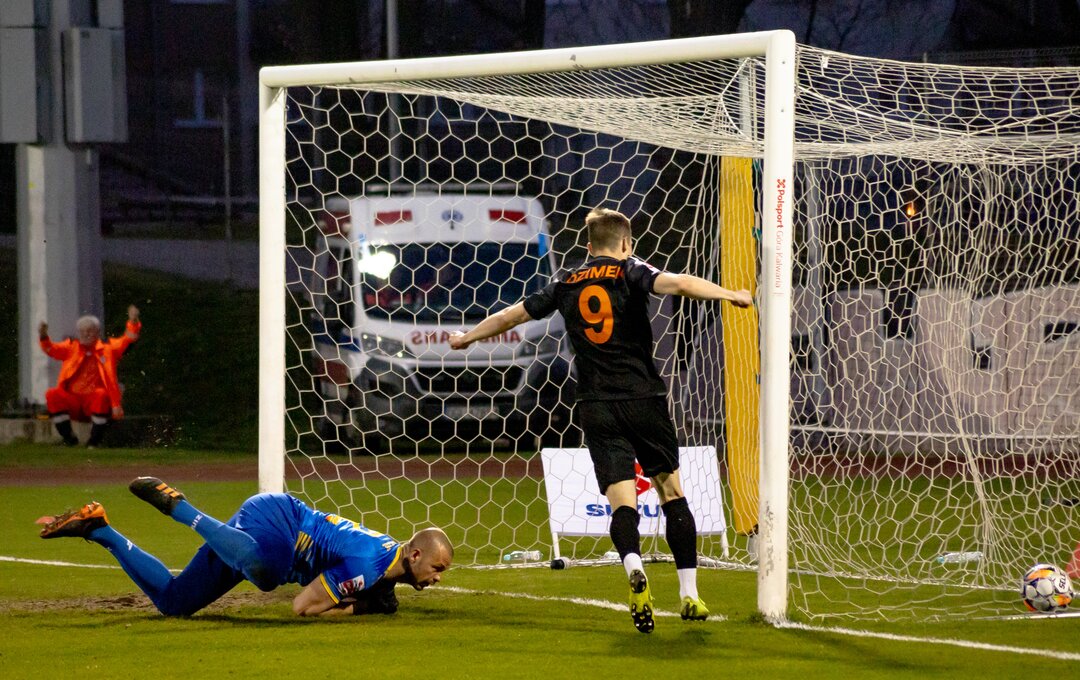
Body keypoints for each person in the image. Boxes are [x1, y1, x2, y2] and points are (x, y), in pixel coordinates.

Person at [449, 207, 752, 633]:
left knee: (622, 501)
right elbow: (680, 283)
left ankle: (633, 567)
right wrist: (730, 293)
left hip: (596, 404)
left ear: (589, 246)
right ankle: (689, 593)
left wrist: (466, 338)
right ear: (626, 243)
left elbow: (511, 316)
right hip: (643, 398)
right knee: (671, 491)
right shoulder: (631, 270)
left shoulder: (566, 282)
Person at [38, 477, 453, 618]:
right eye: (438, 568)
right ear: (415, 555)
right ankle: (180, 508)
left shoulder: (384, 562)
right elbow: (303, 607)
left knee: (174, 602)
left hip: (261, 540)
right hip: (279, 520)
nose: (438, 578)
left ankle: (98, 527)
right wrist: (356, 608)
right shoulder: (369, 565)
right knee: (269, 576)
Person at [38, 305, 142, 447]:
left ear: (97, 332)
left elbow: (128, 339)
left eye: (89, 330)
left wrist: (133, 321)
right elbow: (51, 349)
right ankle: (69, 438)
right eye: (82, 331)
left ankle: (94, 442)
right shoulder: (71, 347)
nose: (85, 334)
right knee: (52, 394)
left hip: (95, 400)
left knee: (101, 395)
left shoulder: (108, 348)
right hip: (74, 400)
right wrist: (43, 336)